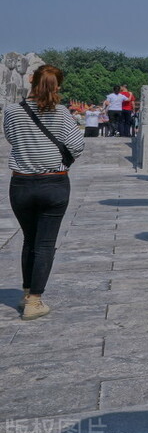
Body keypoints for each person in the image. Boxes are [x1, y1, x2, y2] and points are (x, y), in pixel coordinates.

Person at [2, 64, 85, 319]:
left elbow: (11, 138)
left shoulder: (13, 111)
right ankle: (35, 301)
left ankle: (27, 292)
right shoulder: (61, 113)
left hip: (22, 184)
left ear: (31, 80)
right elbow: (77, 145)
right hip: (54, 183)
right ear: (57, 86)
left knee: (29, 239)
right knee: (45, 243)